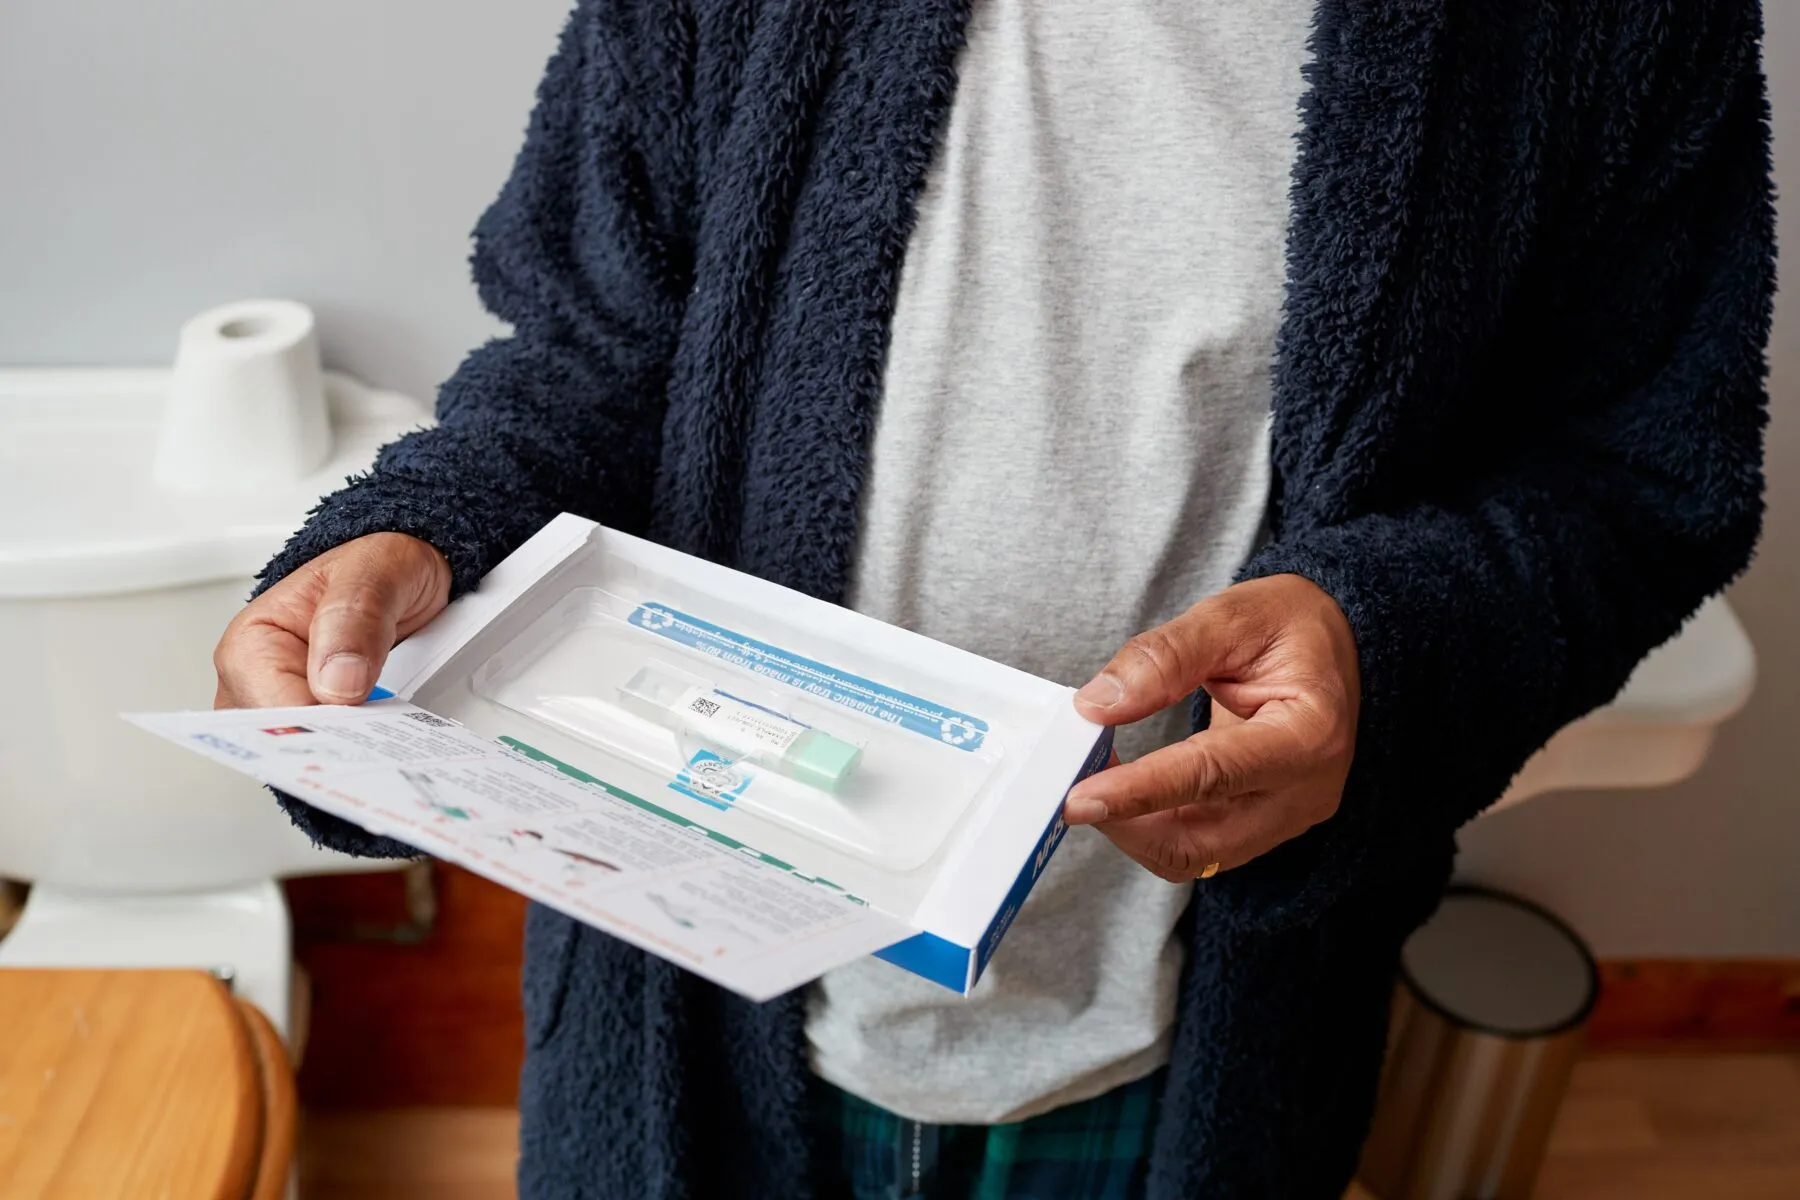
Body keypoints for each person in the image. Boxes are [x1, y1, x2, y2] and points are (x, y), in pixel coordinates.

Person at [211, 0, 1775, 1196]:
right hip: (687, 991)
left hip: (1187, 1032)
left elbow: (1641, 476)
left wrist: (1388, 641)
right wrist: (428, 523)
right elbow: (597, 341)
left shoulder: (1603, 27)